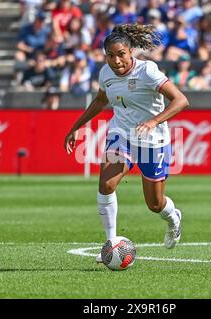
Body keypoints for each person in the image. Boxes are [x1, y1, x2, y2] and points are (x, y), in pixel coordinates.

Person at [64, 24, 189, 263]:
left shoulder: (147, 71)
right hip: (121, 134)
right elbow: (100, 101)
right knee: (107, 183)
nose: (116, 60)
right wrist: (76, 126)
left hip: (153, 140)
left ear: (130, 52)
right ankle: (111, 243)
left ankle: (174, 218)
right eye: (110, 55)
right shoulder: (105, 74)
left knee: (155, 204)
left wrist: (153, 121)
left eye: (121, 54)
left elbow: (181, 100)